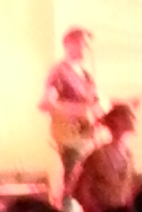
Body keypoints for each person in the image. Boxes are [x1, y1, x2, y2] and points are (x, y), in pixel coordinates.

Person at [71, 104, 140, 212]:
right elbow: (81, 189)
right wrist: (93, 211)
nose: (121, 129)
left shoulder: (129, 156)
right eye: (119, 124)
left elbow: (130, 189)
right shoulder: (97, 155)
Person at [41, 26, 101, 193]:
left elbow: (94, 104)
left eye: (88, 45)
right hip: (70, 136)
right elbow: (47, 103)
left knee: (86, 183)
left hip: (85, 135)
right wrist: (76, 111)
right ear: (68, 44)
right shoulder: (60, 72)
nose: (87, 49)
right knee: (72, 181)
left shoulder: (86, 75)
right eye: (83, 44)